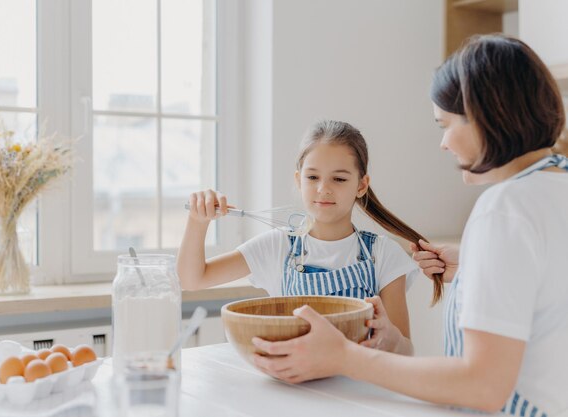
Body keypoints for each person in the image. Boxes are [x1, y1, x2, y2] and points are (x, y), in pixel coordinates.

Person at [251, 35, 568, 416]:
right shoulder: (554, 187)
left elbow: (483, 385)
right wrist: (473, 266)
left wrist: (344, 358)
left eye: (445, 125)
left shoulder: (503, 209)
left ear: (485, 116)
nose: (444, 144)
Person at [177, 120, 437, 355]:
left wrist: (390, 339)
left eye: (339, 178)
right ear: (299, 180)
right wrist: (197, 222)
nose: (323, 188)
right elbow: (192, 279)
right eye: (312, 177)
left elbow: (405, 351)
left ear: (361, 185)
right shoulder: (276, 246)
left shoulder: (383, 254)